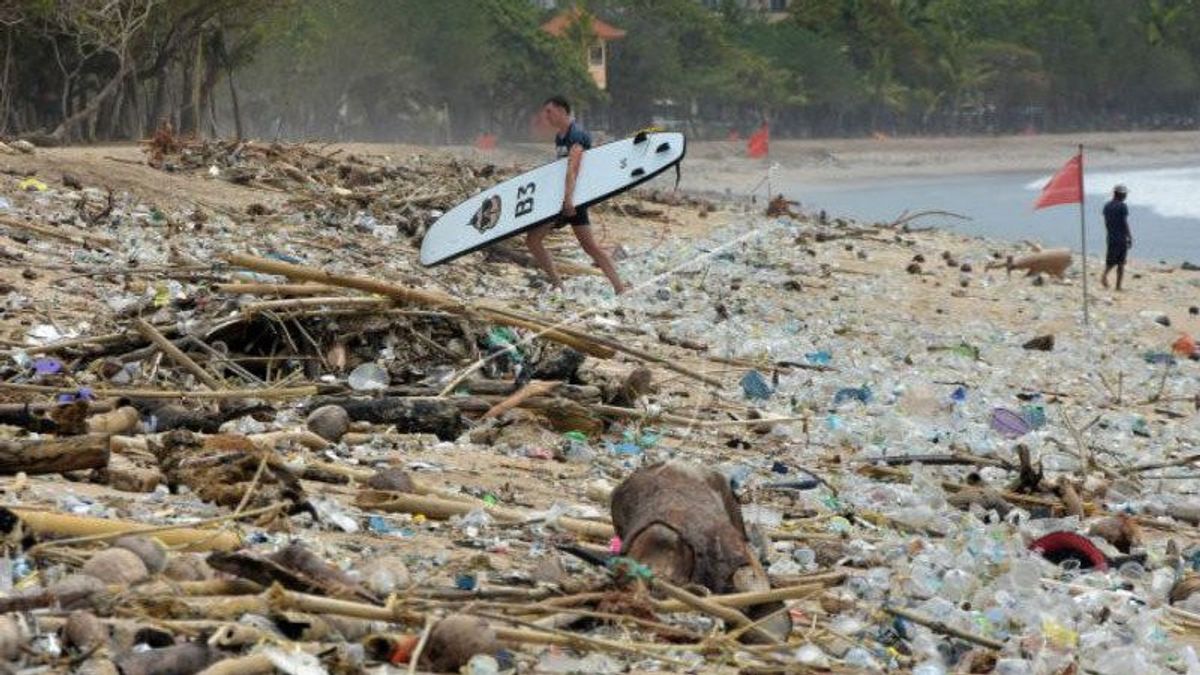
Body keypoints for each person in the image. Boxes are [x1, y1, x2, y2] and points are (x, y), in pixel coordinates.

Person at [525, 96, 628, 294]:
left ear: (563, 111)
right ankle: (619, 288)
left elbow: (573, 169)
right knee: (589, 247)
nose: (546, 116)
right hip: (565, 199)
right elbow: (560, 170)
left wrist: (569, 200)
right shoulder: (560, 136)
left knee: (534, 240)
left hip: (570, 200)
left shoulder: (577, 135)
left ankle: (560, 284)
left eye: (549, 111)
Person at [1101, 184, 1132, 291]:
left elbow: (1107, 222)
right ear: (1120, 194)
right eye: (1125, 194)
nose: (1125, 196)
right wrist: (1129, 236)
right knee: (1121, 263)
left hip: (1110, 236)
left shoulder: (1107, 206)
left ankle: (1105, 275)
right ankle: (1118, 286)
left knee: (1111, 260)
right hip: (1121, 237)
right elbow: (1124, 222)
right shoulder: (1122, 206)